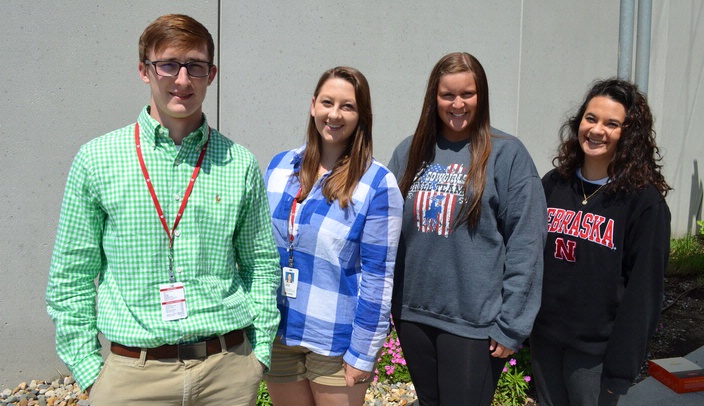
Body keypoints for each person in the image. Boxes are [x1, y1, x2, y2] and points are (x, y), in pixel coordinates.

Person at [46, 14, 280, 405]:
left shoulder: (238, 163)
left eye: (196, 66)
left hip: (226, 371)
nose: (183, 80)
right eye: (168, 64)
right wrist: (89, 371)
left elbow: (261, 264)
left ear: (212, 73)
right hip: (134, 377)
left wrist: (258, 357)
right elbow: (70, 276)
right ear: (144, 70)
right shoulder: (97, 159)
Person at [388, 52, 547, 405]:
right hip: (413, 313)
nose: (457, 104)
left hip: (474, 321)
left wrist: (512, 323)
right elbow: (386, 231)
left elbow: (527, 242)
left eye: (467, 94)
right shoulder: (411, 150)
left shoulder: (507, 154)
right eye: (448, 95)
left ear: (482, 96)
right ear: (434, 97)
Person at [263, 66, 404, 406]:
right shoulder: (281, 167)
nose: (334, 114)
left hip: (335, 340)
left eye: (348, 106)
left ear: (362, 116)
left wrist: (363, 352)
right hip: (279, 333)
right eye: (328, 102)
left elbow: (378, 277)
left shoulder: (377, 184)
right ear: (313, 105)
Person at [531, 78, 671, 406]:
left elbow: (644, 295)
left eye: (612, 123)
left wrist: (620, 372)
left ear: (629, 134)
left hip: (595, 358)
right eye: (591, 119)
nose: (597, 130)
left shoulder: (643, 203)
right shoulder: (554, 184)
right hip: (546, 344)